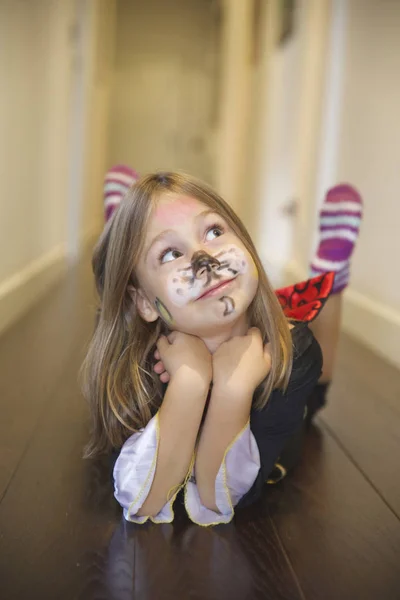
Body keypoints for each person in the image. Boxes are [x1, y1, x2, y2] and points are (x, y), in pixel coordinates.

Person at [82, 172, 362, 525]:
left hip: (286, 385)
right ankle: (116, 249)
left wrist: (233, 389)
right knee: (114, 320)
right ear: (145, 302)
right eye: (169, 253)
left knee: (317, 389)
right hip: (137, 317)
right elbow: (145, 502)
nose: (205, 259)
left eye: (214, 232)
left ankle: (332, 274)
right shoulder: (134, 363)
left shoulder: (296, 350)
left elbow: (220, 499)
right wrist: (189, 382)